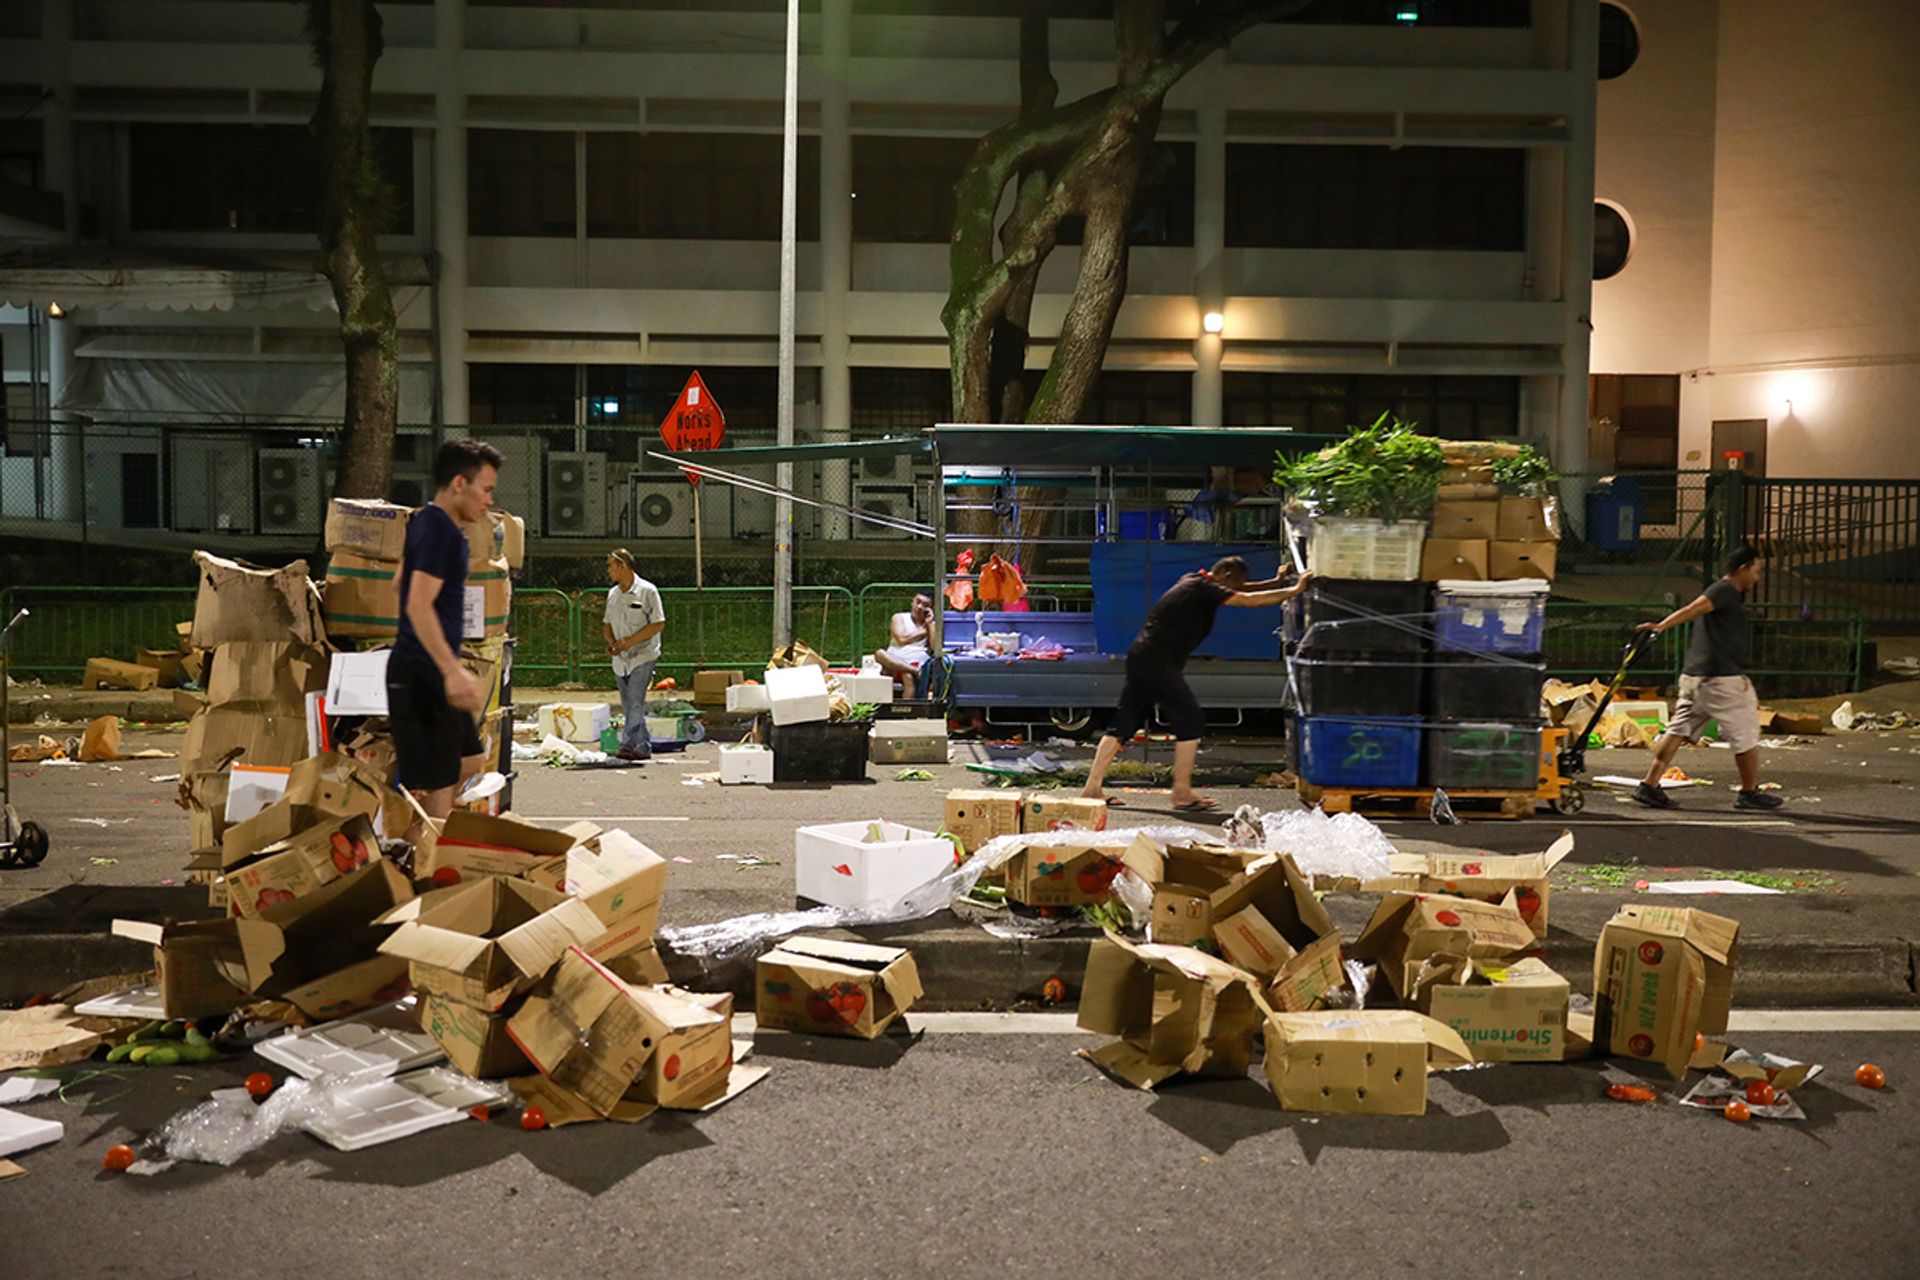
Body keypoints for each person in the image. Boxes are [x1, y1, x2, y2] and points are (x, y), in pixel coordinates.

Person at [1081, 557, 1312, 812]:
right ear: (1224, 573)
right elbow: (1246, 600)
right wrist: (1294, 590)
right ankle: (1181, 792)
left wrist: (1275, 582)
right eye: (1236, 581)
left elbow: (1240, 590)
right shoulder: (1203, 589)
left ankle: (1092, 788)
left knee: (1124, 722)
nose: (1237, 587)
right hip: (1158, 661)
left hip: (1144, 657)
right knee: (1190, 719)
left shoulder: (1195, 580)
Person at [386, 438, 501, 825]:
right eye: (485, 490)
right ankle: (424, 868)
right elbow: (417, 602)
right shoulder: (443, 534)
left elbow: (399, 582)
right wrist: (450, 670)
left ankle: (418, 839)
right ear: (458, 484)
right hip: (422, 672)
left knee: (472, 758)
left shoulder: (424, 521)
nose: (488, 501)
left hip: (423, 667)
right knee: (437, 782)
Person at [1633, 546, 1783, 811]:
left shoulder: (1728, 594)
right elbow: (1694, 608)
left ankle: (1649, 784)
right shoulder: (1723, 590)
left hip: (1696, 678)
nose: (1757, 578)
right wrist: (1662, 625)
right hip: (1719, 680)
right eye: (1756, 571)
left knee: (1678, 729)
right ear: (1742, 569)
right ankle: (1748, 792)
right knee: (1746, 731)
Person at [605, 548, 666, 762]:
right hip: (620, 659)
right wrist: (613, 644)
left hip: (643, 654)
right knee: (629, 704)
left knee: (635, 700)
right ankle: (642, 745)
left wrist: (629, 642)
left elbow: (658, 623)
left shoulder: (648, 591)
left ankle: (627, 743)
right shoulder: (613, 594)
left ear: (623, 566)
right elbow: (607, 625)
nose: (609, 571)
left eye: (611, 566)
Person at [873, 590, 934, 698]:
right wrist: (924, 632)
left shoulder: (930, 624)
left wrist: (929, 624)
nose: (920, 607)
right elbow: (901, 639)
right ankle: (916, 672)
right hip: (894, 659)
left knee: (907, 676)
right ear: (912, 602)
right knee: (879, 653)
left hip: (915, 660)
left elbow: (934, 647)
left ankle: (906, 711)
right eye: (918, 602)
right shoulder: (899, 617)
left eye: (925, 605)